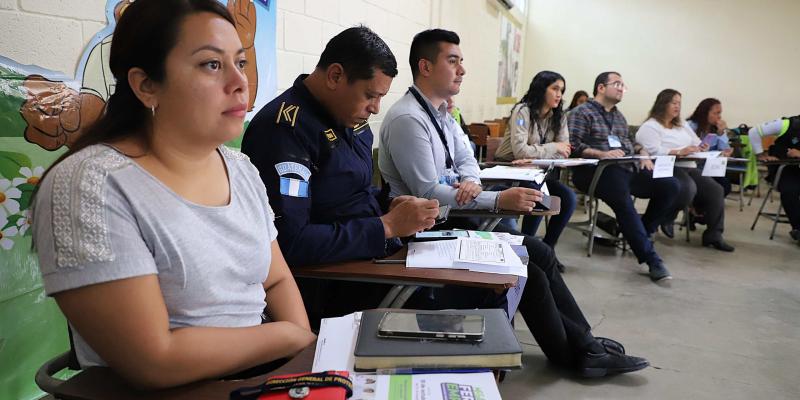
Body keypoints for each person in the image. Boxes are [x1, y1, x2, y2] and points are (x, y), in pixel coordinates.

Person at [31, 0, 315, 389]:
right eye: (212, 64)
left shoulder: (241, 170)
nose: (239, 82)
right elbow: (154, 360)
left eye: (241, 62)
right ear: (146, 85)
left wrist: (297, 356)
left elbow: (276, 280)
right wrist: (288, 338)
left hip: (262, 374)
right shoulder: (89, 184)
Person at [379, 29, 649, 378]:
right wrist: (497, 199)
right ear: (425, 67)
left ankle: (584, 345)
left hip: (455, 220)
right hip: (426, 233)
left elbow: (468, 163)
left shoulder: (442, 114)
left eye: (462, 61)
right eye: (453, 61)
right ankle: (579, 352)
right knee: (531, 267)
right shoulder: (408, 118)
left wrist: (472, 184)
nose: (462, 69)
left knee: (540, 252)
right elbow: (430, 193)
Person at [241, 27, 440, 321]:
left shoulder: (352, 120)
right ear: (335, 76)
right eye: (370, 95)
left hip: (377, 257)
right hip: (339, 282)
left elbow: (348, 192)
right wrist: (384, 227)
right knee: (468, 304)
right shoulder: (285, 130)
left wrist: (389, 203)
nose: (375, 108)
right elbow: (291, 243)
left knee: (510, 272)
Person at [568, 72, 680, 282]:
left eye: (623, 85)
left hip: (626, 168)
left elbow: (630, 143)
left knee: (670, 185)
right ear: (601, 88)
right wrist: (601, 153)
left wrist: (643, 153)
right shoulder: (581, 113)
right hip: (595, 171)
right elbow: (572, 145)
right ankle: (651, 259)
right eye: (617, 84)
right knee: (623, 200)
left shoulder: (619, 117)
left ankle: (641, 234)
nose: (622, 88)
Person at [635, 89, 734, 252]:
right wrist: (677, 151)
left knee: (716, 190)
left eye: (679, 103)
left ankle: (714, 235)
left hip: (688, 165)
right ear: (663, 104)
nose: (677, 107)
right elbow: (650, 151)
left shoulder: (682, 125)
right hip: (665, 167)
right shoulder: (651, 126)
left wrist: (702, 147)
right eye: (673, 103)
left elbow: (696, 142)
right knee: (688, 187)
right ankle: (668, 217)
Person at [492, 71, 577, 247]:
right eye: (555, 88)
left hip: (537, 171)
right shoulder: (523, 111)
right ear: (541, 89)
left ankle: (548, 247)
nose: (559, 94)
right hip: (508, 168)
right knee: (539, 194)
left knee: (568, 197)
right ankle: (526, 244)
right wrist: (553, 147)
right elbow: (520, 151)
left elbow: (565, 150)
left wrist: (534, 154)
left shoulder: (559, 116)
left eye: (562, 90)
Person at [749, 115, 800, 242]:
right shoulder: (787, 124)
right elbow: (754, 132)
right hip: (785, 170)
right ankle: (798, 228)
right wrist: (760, 154)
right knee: (790, 191)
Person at [686, 98, 734, 196]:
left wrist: (721, 133)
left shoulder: (715, 128)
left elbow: (725, 150)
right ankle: (697, 208)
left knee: (725, 185)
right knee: (714, 188)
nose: (719, 117)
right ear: (705, 113)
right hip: (694, 167)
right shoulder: (690, 126)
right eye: (716, 113)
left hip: (709, 167)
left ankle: (703, 208)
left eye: (720, 113)